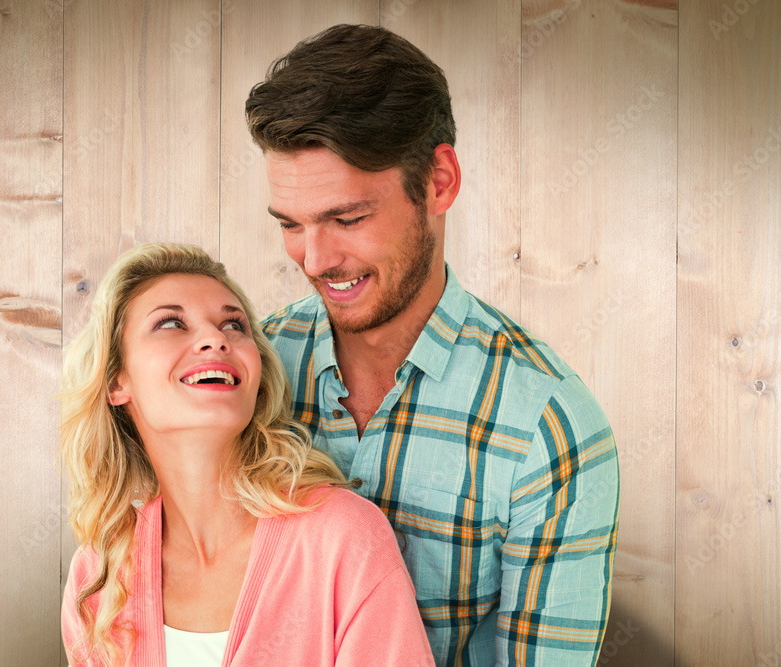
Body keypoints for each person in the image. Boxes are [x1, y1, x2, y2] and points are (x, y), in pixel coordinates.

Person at [246, 24, 620, 666]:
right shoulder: (247, 370)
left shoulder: (548, 429)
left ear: (439, 181)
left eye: (348, 218)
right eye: (291, 225)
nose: (315, 259)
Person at [59, 242, 434, 666]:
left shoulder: (344, 539)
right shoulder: (99, 573)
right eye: (170, 323)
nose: (216, 339)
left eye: (234, 325)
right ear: (116, 381)